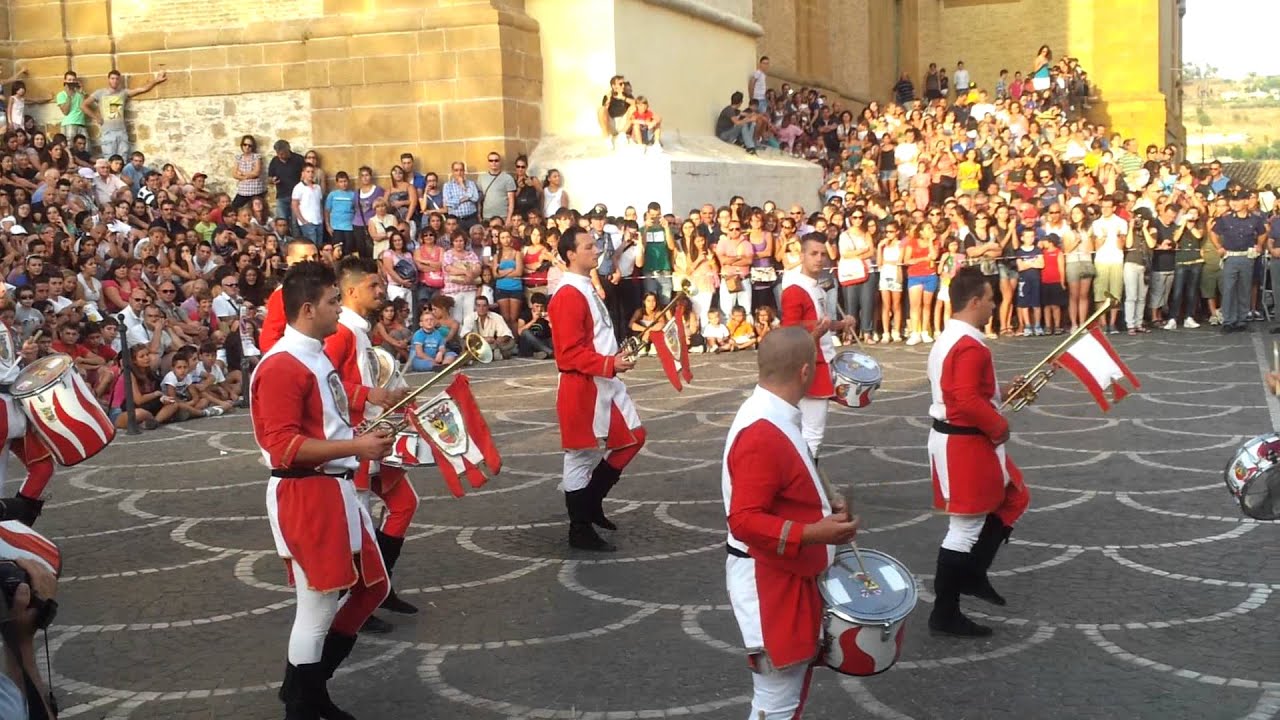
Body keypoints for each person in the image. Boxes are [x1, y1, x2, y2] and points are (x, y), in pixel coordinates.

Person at [250, 260, 398, 719]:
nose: (341, 308)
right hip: (307, 494)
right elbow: (282, 447)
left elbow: (328, 400)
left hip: (336, 489)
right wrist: (357, 444)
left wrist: (364, 410)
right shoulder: (280, 365)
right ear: (309, 308)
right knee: (316, 608)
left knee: (373, 587)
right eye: (334, 301)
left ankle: (309, 691)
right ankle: (303, 705)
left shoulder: (315, 350)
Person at [724, 326, 858, 720]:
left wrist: (825, 513)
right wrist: (818, 532)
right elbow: (745, 520)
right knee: (775, 705)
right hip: (770, 581)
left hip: (783, 573)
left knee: (788, 696)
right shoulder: (763, 430)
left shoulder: (772, 414)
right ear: (804, 372)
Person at [925, 267, 1031, 638]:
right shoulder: (968, 344)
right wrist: (999, 426)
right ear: (974, 301)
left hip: (965, 439)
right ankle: (946, 610)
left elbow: (965, 391)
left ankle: (973, 574)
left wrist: (1000, 390)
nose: (993, 306)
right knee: (964, 528)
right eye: (990, 299)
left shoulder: (954, 338)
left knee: (1014, 496)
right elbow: (964, 399)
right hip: (964, 442)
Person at [322, 257, 418, 633]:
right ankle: (357, 601)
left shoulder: (360, 331)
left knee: (405, 503)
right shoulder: (341, 332)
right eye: (374, 286)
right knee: (357, 522)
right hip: (353, 442)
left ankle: (382, 584)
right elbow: (325, 384)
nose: (381, 292)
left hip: (372, 435)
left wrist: (390, 396)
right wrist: (372, 394)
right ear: (351, 291)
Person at [547, 227, 646, 552]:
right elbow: (568, 354)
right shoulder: (567, 294)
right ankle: (580, 527)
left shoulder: (587, 287)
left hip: (606, 380)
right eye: (588, 246)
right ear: (571, 254)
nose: (595, 250)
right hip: (584, 386)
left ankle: (592, 503)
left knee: (633, 438)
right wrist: (609, 364)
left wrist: (615, 358)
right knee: (580, 455)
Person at [780, 233, 853, 459]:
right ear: (802, 256)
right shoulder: (794, 289)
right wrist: (818, 331)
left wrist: (842, 323)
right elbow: (790, 334)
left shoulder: (817, 287)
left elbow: (821, 323)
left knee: (808, 434)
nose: (819, 259)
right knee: (812, 434)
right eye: (813, 254)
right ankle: (807, 489)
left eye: (823, 254)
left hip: (820, 361)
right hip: (809, 365)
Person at [0, 320, 54, 527]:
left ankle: (17, 528)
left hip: (12, 407)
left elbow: (8, 365)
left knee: (42, 467)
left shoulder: (5, 326)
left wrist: (27, 356)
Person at [258, 240, 320, 353]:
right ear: (289, 261)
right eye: (304, 257)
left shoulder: (325, 288)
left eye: (314, 257)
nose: (311, 261)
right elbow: (268, 342)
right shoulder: (283, 294)